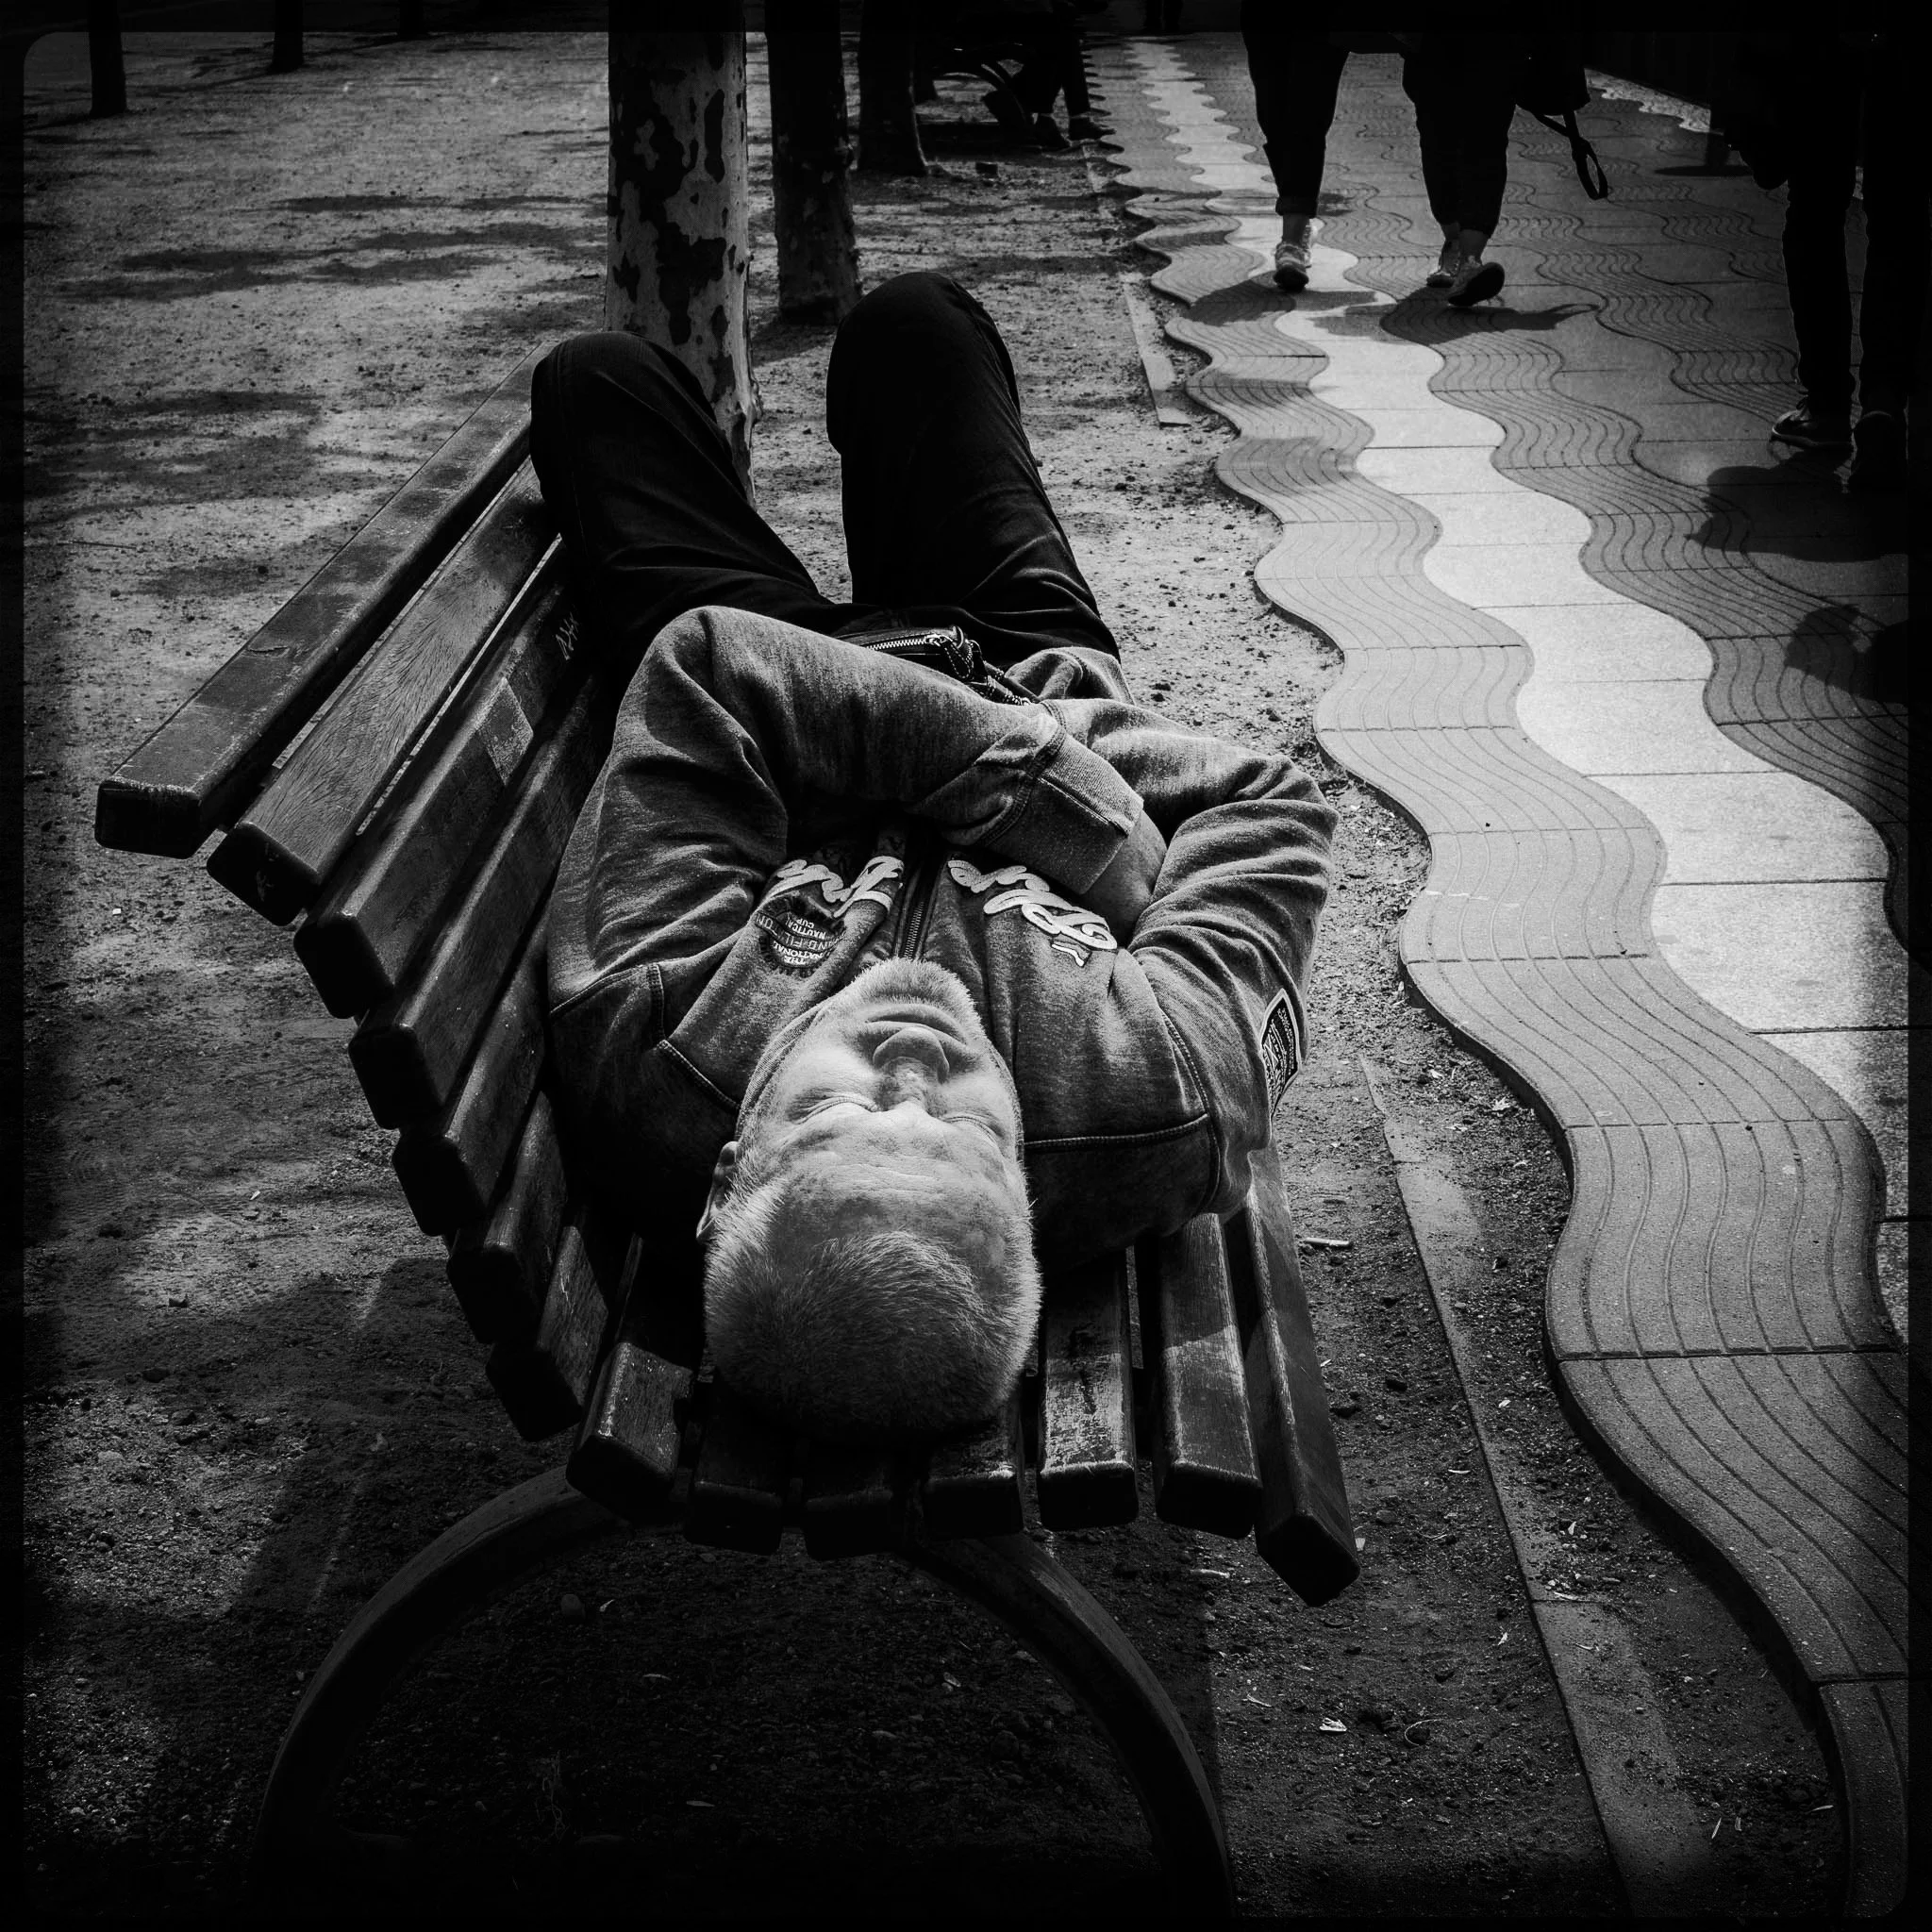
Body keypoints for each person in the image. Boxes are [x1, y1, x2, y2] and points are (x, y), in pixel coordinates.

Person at [528, 272, 1333, 1445]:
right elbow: (1262, 801)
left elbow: (709, 671)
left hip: (791, 688)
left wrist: (1025, 787)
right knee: (916, 324)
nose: (909, 1063)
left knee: (591, 378)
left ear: (731, 1168)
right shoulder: (1163, 1091)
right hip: (1030, 677)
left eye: (830, 1113)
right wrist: (1064, 784)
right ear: (1027, 1190)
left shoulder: (659, 1039)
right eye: (963, 1131)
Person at [1715, 29, 1923, 491]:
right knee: (1897, 219)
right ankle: (1883, 402)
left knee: (1815, 210)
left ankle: (1827, 405)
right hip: (1901, 48)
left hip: (1820, 46)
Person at [1397, 31, 1529, 307]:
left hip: (1496, 37)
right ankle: (1456, 244)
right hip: (1436, 39)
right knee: (1440, 143)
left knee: (1486, 142)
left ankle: (1469, 259)